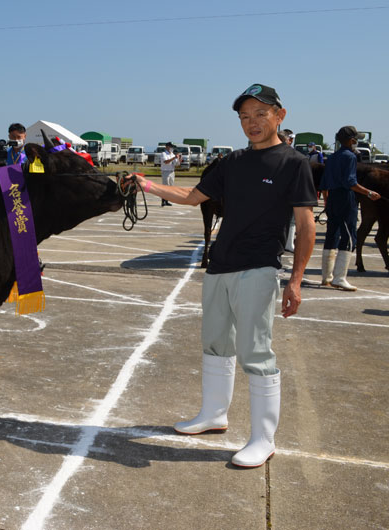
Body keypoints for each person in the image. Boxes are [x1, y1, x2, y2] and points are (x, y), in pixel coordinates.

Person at [131, 83, 318, 468]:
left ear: (279, 116)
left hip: (259, 268)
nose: (252, 122)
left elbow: (306, 223)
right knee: (215, 344)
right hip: (219, 266)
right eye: (244, 116)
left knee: (256, 352)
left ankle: (263, 439)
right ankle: (214, 415)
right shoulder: (232, 162)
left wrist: (296, 280)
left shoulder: (293, 163)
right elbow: (192, 197)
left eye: (260, 114)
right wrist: (146, 184)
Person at [318, 125, 381, 290]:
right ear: (352, 140)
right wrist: (368, 193)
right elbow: (350, 182)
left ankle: (326, 276)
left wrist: (326, 201)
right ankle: (340, 277)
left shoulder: (331, 158)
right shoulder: (350, 157)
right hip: (345, 198)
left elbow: (324, 184)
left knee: (332, 234)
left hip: (331, 197)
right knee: (348, 236)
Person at [159, 142, 181, 206]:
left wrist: (179, 158)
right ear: (167, 147)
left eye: (172, 147)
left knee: (170, 187)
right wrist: (174, 158)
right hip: (165, 171)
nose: (171, 148)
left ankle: (167, 200)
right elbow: (166, 162)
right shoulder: (164, 154)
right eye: (170, 147)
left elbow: (176, 164)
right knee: (165, 187)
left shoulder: (172, 154)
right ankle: (163, 201)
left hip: (172, 172)